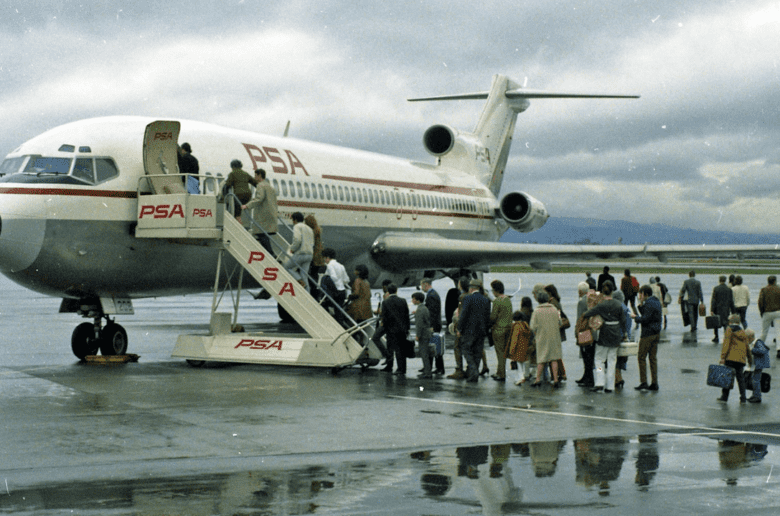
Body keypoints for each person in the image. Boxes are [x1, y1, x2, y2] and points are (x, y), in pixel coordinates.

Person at [582, 281, 626, 393]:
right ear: (612, 290)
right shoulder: (618, 304)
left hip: (605, 333)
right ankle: (610, 385)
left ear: (602, 291)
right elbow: (623, 321)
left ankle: (600, 382)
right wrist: (624, 334)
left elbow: (588, 313)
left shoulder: (601, 305)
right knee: (612, 361)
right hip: (616, 333)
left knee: (599, 360)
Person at [457, 279, 491, 383]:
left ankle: (473, 372)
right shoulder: (486, 299)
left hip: (469, 330)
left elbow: (463, 315)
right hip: (481, 331)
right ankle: (473, 374)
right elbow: (487, 316)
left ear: (471, 288)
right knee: (477, 352)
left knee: (466, 350)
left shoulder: (468, 298)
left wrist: (459, 328)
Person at [632, 285, 662, 391]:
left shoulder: (649, 303)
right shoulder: (656, 301)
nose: (639, 296)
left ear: (645, 294)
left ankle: (643, 381)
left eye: (641, 294)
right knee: (653, 358)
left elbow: (645, 319)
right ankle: (654, 382)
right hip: (656, 333)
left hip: (647, 334)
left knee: (641, 357)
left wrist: (635, 318)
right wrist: (641, 305)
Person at [529, 291, 563, 388]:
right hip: (554, 337)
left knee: (541, 359)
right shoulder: (554, 309)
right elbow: (560, 322)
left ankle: (538, 379)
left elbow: (532, 327)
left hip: (542, 337)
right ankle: (555, 379)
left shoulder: (536, 311)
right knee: (554, 358)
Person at [717, 314, 753, 403]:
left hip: (730, 358)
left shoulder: (729, 330)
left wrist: (723, 357)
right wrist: (750, 360)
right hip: (741, 360)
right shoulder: (743, 332)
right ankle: (743, 398)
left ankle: (724, 397)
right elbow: (747, 347)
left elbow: (726, 344)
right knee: (740, 379)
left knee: (727, 377)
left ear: (731, 321)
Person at [243, 168, 278, 255]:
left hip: (263, 215)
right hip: (271, 214)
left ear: (259, 176)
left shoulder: (260, 186)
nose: (254, 177)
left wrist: (247, 205)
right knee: (264, 235)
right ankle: (271, 254)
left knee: (261, 234)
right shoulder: (270, 186)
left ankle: (271, 254)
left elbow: (259, 198)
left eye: (255, 175)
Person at [381, 283, 410, 375]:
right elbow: (406, 316)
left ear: (388, 292)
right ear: (396, 290)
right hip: (401, 329)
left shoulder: (385, 302)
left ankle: (389, 366)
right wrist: (407, 328)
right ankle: (402, 368)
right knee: (401, 350)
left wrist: (385, 327)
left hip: (390, 329)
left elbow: (384, 317)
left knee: (390, 348)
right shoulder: (403, 301)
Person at [447, 277, 471, 380]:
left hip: (462, 328)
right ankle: (470, 369)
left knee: (457, 347)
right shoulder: (471, 296)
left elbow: (461, 314)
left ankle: (459, 370)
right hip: (470, 327)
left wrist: (458, 328)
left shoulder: (462, 297)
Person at [489, 279, 513, 382]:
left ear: (495, 290)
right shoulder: (507, 299)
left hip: (499, 329)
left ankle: (501, 374)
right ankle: (499, 371)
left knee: (500, 353)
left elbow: (493, 317)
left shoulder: (497, 301)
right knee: (504, 352)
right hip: (508, 328)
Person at [222, 159, 258, 224]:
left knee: (236, 213)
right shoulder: (245, 173)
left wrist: (224, 195)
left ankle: (239, 226)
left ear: (232, 167)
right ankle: (239, 222)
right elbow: (255, 183)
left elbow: (228, 184)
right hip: (248, 196)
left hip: (238, 195)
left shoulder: (232, 173)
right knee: (238, 210)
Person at [421, 279, 444, 375]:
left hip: (433, 325)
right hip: (435, 324)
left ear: (425, 284)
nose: (421, 288)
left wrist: (431, 326)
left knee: (434, 347)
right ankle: (430, 367)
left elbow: (432, 313)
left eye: (421, 285)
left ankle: (438, 368)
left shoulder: (431, 296)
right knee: (433, 346)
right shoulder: (433, 294)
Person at [284, 212, 314, 285]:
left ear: (295, 220)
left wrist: (293, 249)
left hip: (301, 253)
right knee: (304, 275)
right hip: (309, 254)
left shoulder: (297, 226)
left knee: (287, 267)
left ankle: (299, 280)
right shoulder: (309, 228)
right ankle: (307, 293)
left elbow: (297, 239)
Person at [575, 281, 595, 388]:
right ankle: (587, 376)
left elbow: (579, 319)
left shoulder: (582, 302)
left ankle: (589, 378)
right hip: (592, 330)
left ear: (580, 291)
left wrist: (577, 332)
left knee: (585, 355)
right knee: (590, 355)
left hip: (584, 330)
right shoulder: (591, 299)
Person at [412, 292, 434, 378]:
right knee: (425, 353)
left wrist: (418, 335)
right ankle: (427, 371)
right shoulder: (423, 308)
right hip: (426, 333)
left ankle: (427, 373)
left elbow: (419, 324)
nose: (412, 301)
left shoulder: (420, 310)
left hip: (423, 334)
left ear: (417, 300)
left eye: (413, 299)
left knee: (424, 354)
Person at [508, 310, 533, 385]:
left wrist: (511, 350)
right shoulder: (525, 325)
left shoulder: (516, 326)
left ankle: (521, 377)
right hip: (525, 346)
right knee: (522, 362)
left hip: (518, 347)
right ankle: (519, 377)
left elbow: (514, 339)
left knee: (518, 363)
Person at [321, 248, 350, 312]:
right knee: (339, 312)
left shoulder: (329, 265)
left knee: (324, 305)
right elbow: (347, 280)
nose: (324, 260)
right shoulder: (341, 266)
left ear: (327, 257)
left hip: (335, 292)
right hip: (342, 292)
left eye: (324, 258)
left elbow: (333, 277)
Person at [758, 275, 780, 357]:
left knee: (764, 331)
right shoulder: (779, 289)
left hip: (767, 312)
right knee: (778, 331)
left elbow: (760, 302)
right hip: (778, 312)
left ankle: (760, 347)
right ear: (775, 281)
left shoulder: (764, 290)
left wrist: (762, 312)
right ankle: (779, 349)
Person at [710, 275, 735, 344]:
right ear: (725, 280)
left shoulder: (716, 289)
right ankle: (726, 337)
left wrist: (712, 309)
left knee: (716, 323)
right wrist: (733, 311)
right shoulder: (729, 289)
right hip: (726, 309)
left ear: (719, 280)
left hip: (718, 308)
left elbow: (713, 300)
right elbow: (731, 301)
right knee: (726, 323)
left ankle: (716, 337)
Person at [747, 330, 768, 403]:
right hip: (757, 364)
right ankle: (755, 394)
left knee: (755, 380)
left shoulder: (758, 342)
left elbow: (763, 351)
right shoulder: (755, 342)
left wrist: (752, 350)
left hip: (759, 364)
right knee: (754, 379)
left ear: (750, 337)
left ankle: (757, 396)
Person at [304, 214, 324, 294]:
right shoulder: (317, 230)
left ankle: (312, 293)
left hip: (312, 257)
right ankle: (315, 294)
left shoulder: (310, 232)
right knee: (314, 277)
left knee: (309, 277)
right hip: (318, 258)